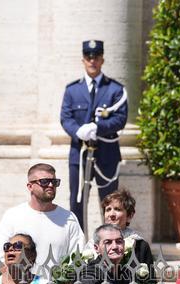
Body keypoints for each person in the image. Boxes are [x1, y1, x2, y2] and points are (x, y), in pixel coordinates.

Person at [60, 40, 128, 230]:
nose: (92, 61)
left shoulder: (115, 89)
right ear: (83, 60)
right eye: (88, 57)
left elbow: (120, 119)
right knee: (77, 202)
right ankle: (78, 244)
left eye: (96, 57)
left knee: (111, 204)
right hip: (80, 154)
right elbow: (65, 118)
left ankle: (111, 242)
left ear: (102, 60)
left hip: (107, 154)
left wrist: (98, 128)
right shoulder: (72, 90)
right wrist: (78, 131)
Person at [0, 163, 85, 276]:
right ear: (30, 186)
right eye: (44, 181)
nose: (50, 185)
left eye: (54, 182)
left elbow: (77, 259)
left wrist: (63, 283)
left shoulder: (69, 218)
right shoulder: (13, 216)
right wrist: (20, 283)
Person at [101, 190, 154, 269]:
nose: (111, 214)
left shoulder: (140, 246)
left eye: (117, 209)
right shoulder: (94, 244)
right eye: (108, 209)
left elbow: (149, 276)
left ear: (129, 216)